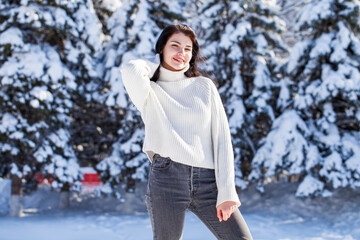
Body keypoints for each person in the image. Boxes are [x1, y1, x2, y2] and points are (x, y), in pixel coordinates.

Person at [121, 24, 253, 240]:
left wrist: (227, 192)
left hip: (209, 182)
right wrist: (156, 66)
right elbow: (130, 68)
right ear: (161, 48)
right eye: (174, 46)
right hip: (167, 178)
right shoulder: (149, 91)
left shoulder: (204, 87)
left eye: (187, 49)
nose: (181, 53)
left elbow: (222, 140)